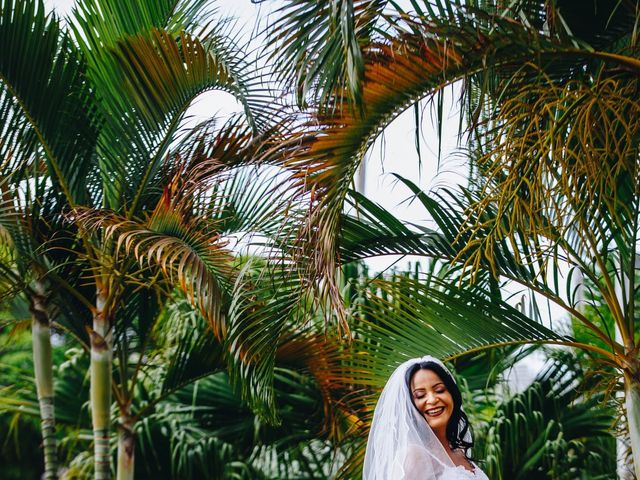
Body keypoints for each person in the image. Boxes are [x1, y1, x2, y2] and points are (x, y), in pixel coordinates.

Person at [363, 356, 489, 479]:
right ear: (409, 406)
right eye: (420, 395)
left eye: (439, 390)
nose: (433, 400)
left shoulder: (459, 451)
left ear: (452, 394)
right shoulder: (416, 457)